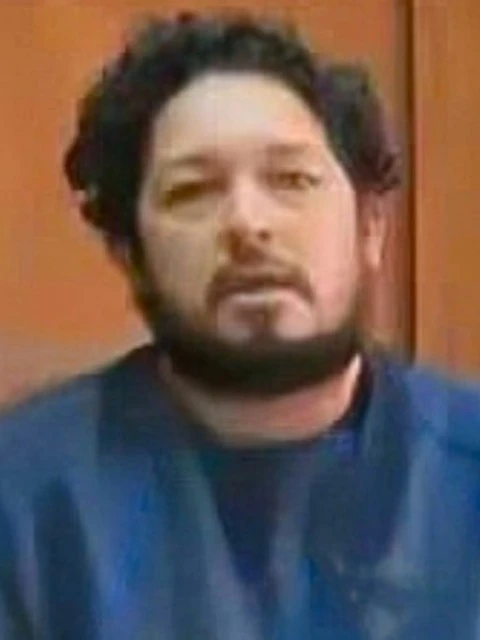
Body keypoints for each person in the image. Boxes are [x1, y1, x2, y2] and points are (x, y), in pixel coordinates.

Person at [0, 11, 479, 640]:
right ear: (129, 252)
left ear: (370, 228)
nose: (248, 225)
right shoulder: (23, 499)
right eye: (192, 191)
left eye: (291, 179)